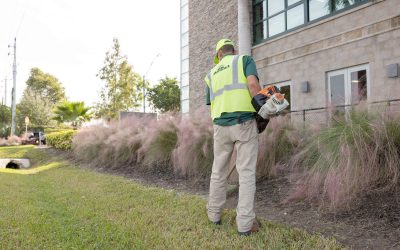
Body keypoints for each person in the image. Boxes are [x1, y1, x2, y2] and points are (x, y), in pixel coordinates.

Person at [204, 39, 263, 236]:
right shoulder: (244, 60)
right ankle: (245, 225)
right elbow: (253, 85)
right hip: (244, 123)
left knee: (218, 171)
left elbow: (210, 103)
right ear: (232, 51)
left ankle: (214, 215)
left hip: (220, 127)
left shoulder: (211, 74)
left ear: (218, 54)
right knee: (246, 173)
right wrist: (265, 110)